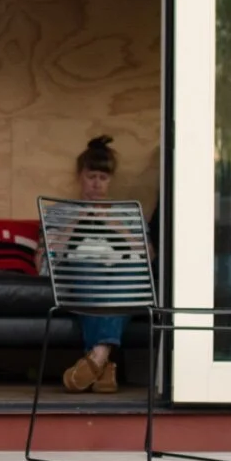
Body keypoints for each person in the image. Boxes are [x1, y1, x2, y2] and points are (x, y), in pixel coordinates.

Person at [60, 133, 130, 392]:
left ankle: (97, 357)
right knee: (90, 267)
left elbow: (149, 257)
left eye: (103, 178)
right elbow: (44, 258)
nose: (97, 184)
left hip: (118, 279)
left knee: (128, 276)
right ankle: (104, 362)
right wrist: (77, 219)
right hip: (82, 275)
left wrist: (115, 225)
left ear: (110, 180)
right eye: (91, 177)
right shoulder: (63, 213)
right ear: (80, 177)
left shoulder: (126, 214)